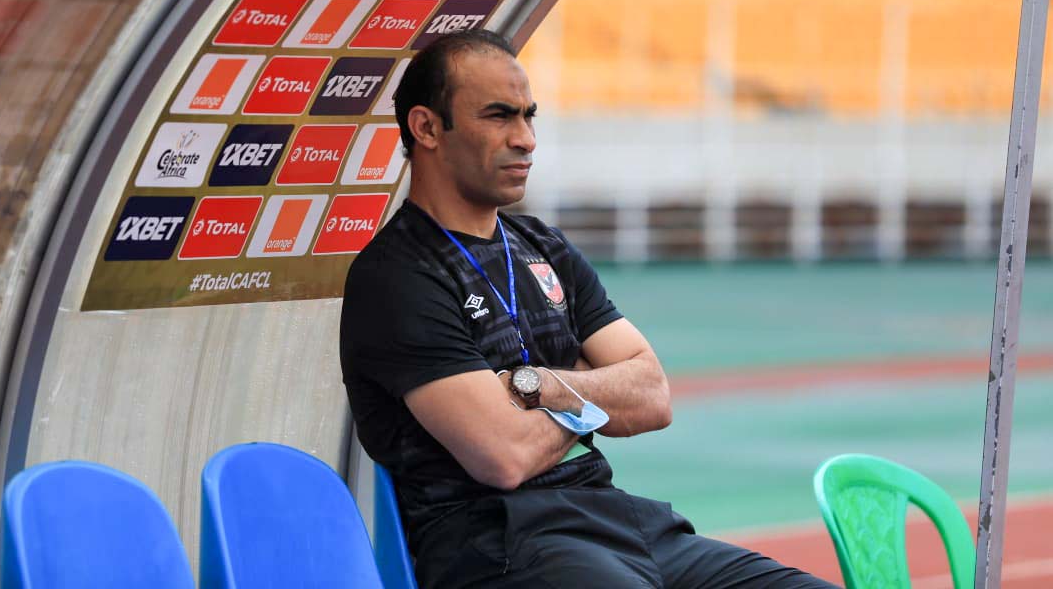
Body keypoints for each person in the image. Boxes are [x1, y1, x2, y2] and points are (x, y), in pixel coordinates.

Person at [340, 29, 836, 588]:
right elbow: (504, 456)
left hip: (619, 521)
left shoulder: (544, 246)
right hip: (500, 544)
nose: (525, 139)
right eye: (499, 116)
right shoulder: (398, 276)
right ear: (427, 128)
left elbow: (652, 395)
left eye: (529, 117)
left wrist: (542, 386)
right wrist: (592, 388)